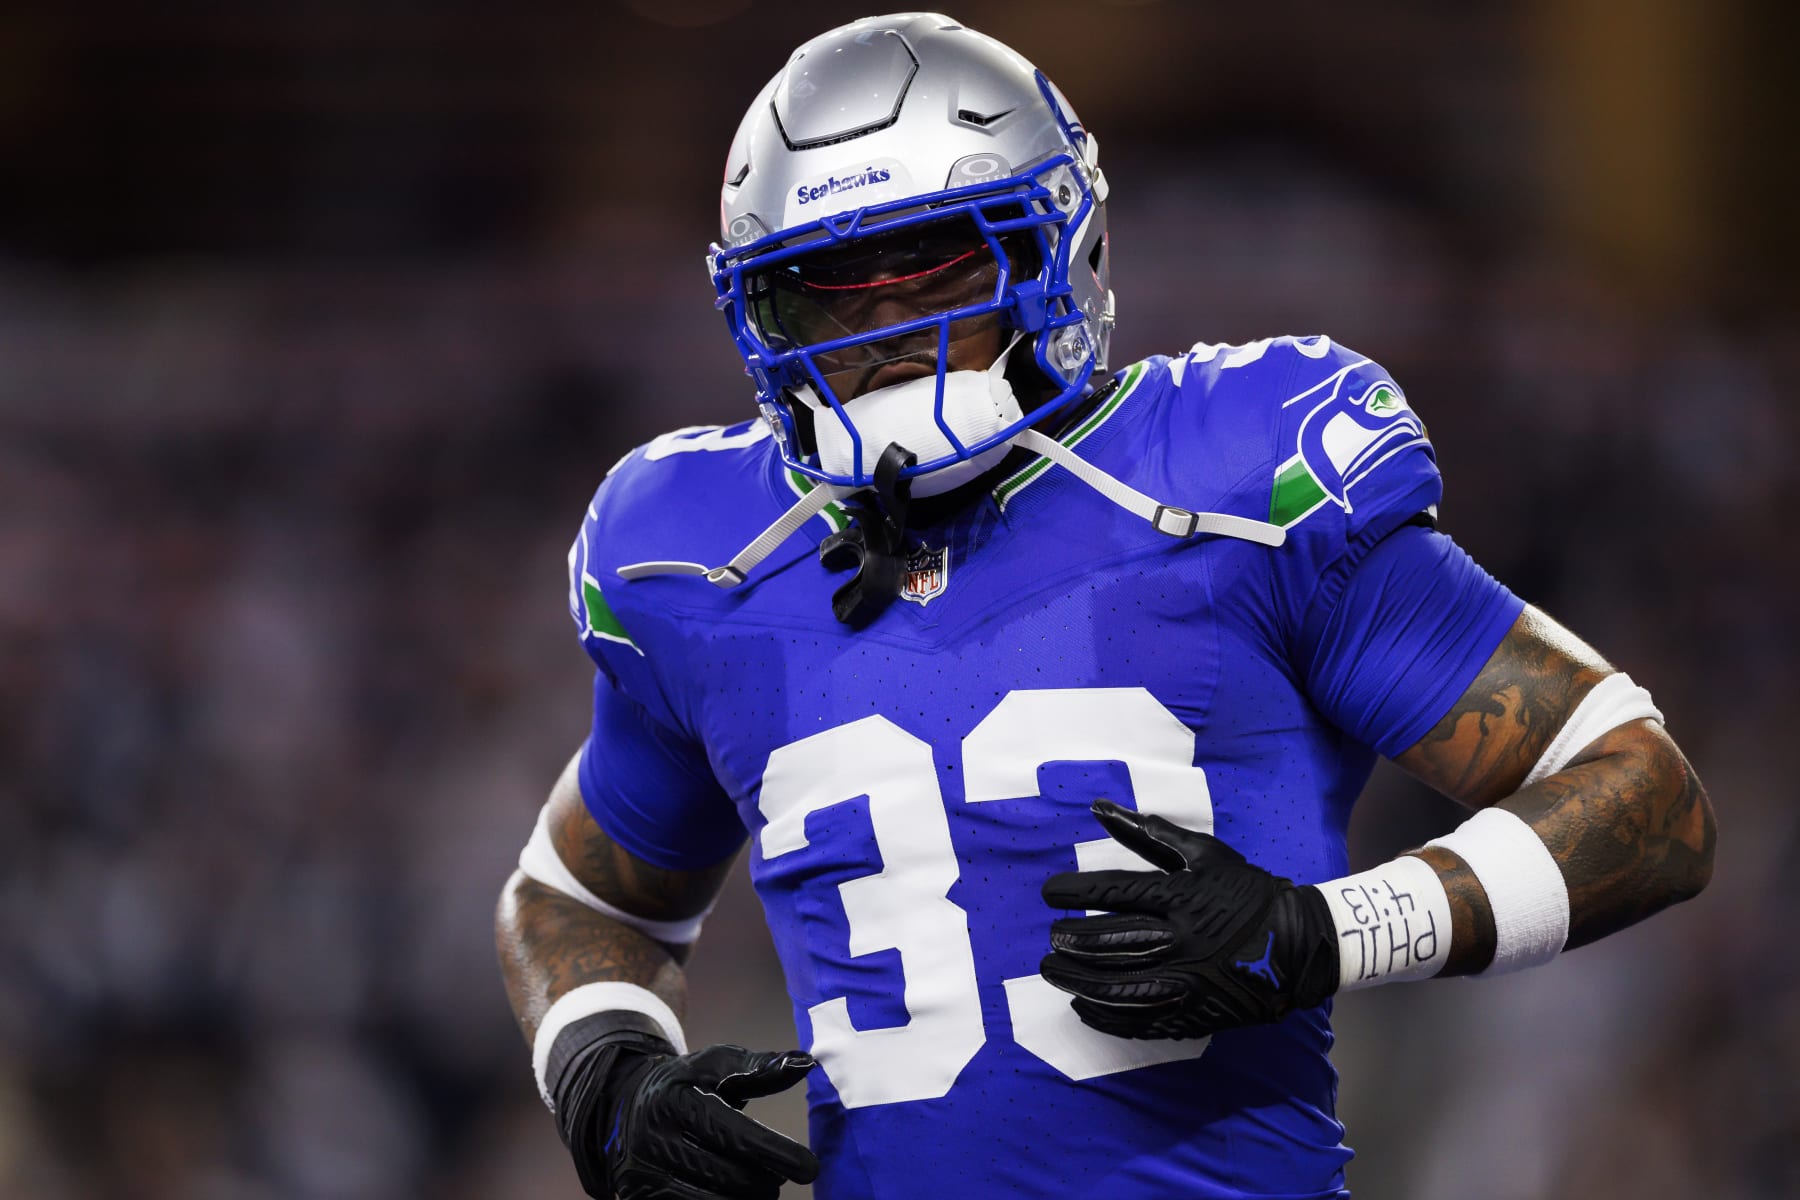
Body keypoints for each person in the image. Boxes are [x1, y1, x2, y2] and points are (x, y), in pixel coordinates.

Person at [495, 13, 1715, 1199]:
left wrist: (1326, 932)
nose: (894, 334)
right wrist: (606, 1067)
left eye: (941, 267)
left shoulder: (1236, 479)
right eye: (832, 295)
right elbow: (573, 897)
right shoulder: (697, 559)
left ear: (1057, 249)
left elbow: (1646, 798)